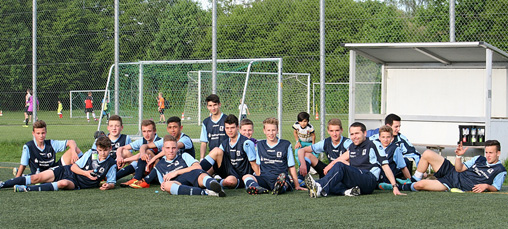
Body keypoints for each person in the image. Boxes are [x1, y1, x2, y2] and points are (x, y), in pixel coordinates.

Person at [305, 122, 405, 197]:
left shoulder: (373, 144)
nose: (354, 137)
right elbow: (340, 158)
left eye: (357, 133)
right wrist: (329, 166)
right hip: (357, 178)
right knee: (335, 178)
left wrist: (394, 186)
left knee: (340, 166)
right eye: (352, 134)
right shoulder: (352, 146)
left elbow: (385, 165)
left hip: (369, 179)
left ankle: (319, 186)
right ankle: (346, 191)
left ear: (365, 133)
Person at [1, 136, 117, 192]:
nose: (102, 153)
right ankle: (3, 184)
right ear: (96, 148)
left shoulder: (111, 163)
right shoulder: (91, 153)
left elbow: (111, 182)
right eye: (100, 150)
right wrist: (86, 173)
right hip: (66, 170)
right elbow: (74, 167)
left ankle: (26, 189)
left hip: (76, 183)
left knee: (62, 183)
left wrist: (108, 186)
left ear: (110, 148)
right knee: (37, 177)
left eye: (105, 150)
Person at [133, 135, 226, 197]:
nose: (171, 151)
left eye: (174, 148)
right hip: (179, 183)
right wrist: (163, 185)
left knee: (201, 175)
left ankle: (213, 185)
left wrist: (176, 172)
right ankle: (207, 192)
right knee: (168, 186)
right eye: (168, 148)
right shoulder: (159, 166)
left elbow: (198, 167)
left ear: (177, 148)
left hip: (192, 176)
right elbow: (162, 183)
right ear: (163, 149)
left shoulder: (184, 156)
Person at [399, 140, 506, 193]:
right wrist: (458, 156)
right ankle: (412, 179)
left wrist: (486, 186)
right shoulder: (479, 158)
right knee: (427, 153)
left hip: (452, 183)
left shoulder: (500, 170)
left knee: (420, 185)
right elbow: (459, 168)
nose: (488, 155)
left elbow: (496, 188)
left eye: (491, 153)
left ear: (498, 153)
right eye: (486, 152)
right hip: (452, 171)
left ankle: (399, 187)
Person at [242, 118, 306, 195]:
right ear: (264, 131)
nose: (271, 133)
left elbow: (291, 166)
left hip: (280, 177)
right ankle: (257, 187)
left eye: (273, 130)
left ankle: (279, 187)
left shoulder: (286, 144)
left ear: (277, 130)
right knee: (246, 176)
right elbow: (258, 166)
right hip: (265, 178)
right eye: (268, 130)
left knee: (284, 183)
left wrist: (297, 185)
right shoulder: (260, 145)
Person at [128, 116, 195, 188]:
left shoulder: (185, 139)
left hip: (184, 167)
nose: (172, 130)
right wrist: (143, 154)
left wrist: (153, 159)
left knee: (161, 159)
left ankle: (145, 179)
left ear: (180, 128)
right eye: (170, 127)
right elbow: (145, 146)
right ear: (167, 129)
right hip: (172, 166)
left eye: (175, 127)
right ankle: (139, 178)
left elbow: (170, 149)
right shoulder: (167, 140)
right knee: (149, 152)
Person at [200, 114, 257, 189]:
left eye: (232, 128)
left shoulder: (246, 142)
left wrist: (259, 180)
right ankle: (198, 173)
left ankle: (214, 183)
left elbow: (254, 164)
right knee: (216, 151)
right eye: (227, 128)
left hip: (240, 176)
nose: (229, 130)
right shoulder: (224, 143)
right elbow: (216, 163)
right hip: (228, 171)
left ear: (237, 127)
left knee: (230, 181)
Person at [12, 120, 81, 177]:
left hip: (54, 171)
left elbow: (71, 142)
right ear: (33, 133)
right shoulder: (28, 146)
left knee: (75, 149)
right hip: (40, 176)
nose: (41, 136)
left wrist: (73, 152)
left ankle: (85, 170)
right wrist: (17, 179)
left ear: (46, 132)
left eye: (43, 133)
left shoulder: (51, 144)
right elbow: (23, 165)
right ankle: (26, 177)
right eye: (38, 133)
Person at [115, 120, 161, 185]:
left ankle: (137, 178)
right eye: (144, 131)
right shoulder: (142, 141)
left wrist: (125, 160)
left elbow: (142, 154)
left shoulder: (160, 141)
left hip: (157, 172)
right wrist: (119, 157)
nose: (146, 134)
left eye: (149, 131)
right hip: (144, 169)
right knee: (125, 152)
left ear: (154, 131)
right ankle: (112, 178)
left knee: (146, 152)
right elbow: (121, 148)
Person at [375, 125, 412, 190]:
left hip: (387, 178)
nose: (385, 140)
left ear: (392, 138)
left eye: (388, 137)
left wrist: (410, 181)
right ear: (379, 137)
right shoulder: (374, 147)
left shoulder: (395, 148)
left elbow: (403, 166)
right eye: (383, 137)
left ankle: (393, 185)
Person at [199, 94, 227, 161]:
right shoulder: (206, 122)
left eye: (215, 105)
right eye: (210, 106)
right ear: (207, 107)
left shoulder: (227, 119)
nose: (213, 108)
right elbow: (204, 142)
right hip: (212, 156)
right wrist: (202, 158)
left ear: (219, 104)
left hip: (227, 155)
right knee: (202, 170)